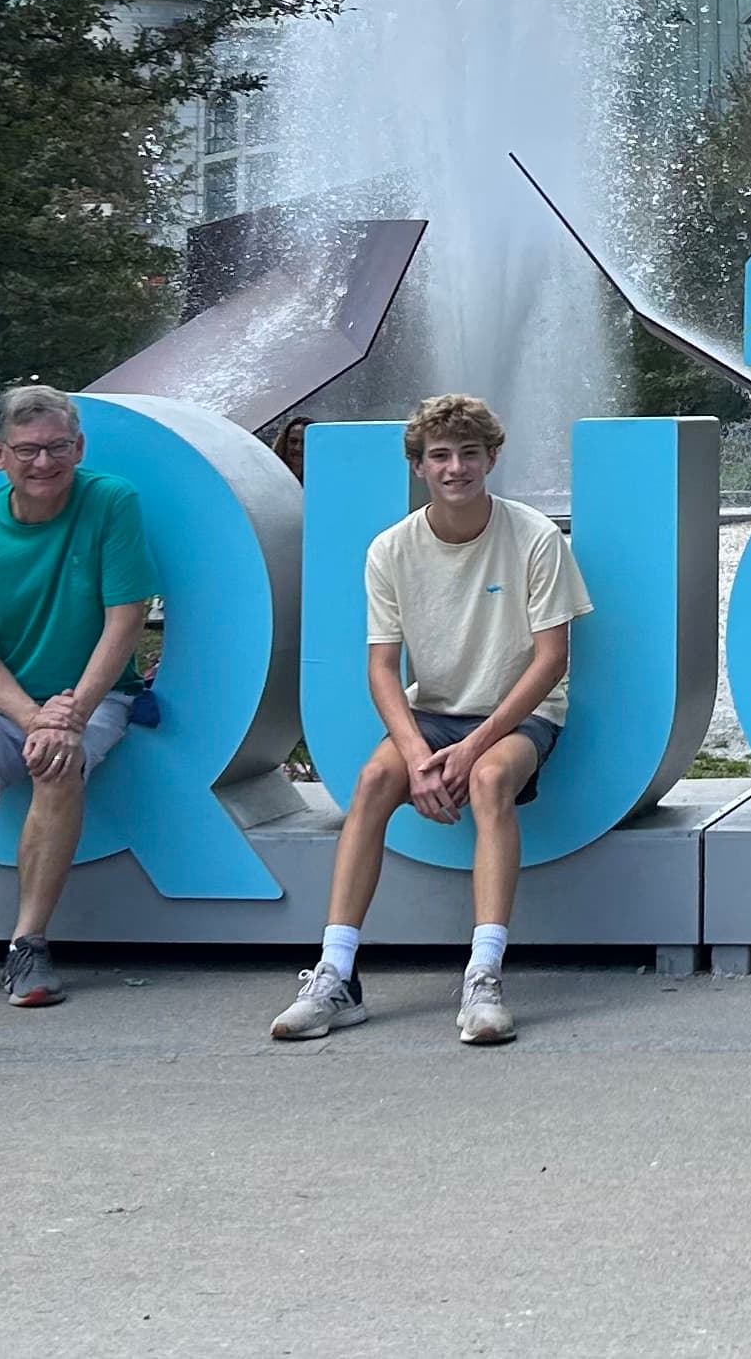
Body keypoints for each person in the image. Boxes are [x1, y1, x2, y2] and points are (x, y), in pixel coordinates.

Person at [270, 393, 591, 1047]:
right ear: (419, 467)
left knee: (489, 782)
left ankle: (483, 977)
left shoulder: (534, 536)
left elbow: (551, 660)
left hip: (516, 718)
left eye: (468, 454)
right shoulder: (390, 549)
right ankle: (336, 977)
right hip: (434, 714)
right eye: (440, 456)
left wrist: (472, 747)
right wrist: (416, 756)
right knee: (369, 784)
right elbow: (382, 669)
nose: (455, 468)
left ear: (491, 459)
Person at [0, 386, 155, 1010]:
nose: (43, 462)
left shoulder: (110, 502)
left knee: (57, 765)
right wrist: (31, 716)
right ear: (0, 456)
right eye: (27, 450)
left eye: (57, 448)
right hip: (1, 702)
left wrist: (71, 713)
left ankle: (29, 942)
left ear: (79, 448)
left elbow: (125, 619)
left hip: (95, 694)